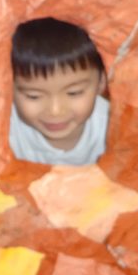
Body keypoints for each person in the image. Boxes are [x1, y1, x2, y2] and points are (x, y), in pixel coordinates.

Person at [9, 18, 108, 166]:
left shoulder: (113, 125)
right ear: (8, 88)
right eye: (33, 96)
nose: (55, 110)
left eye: (74, 93)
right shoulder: (4, 129)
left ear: (101, 83)